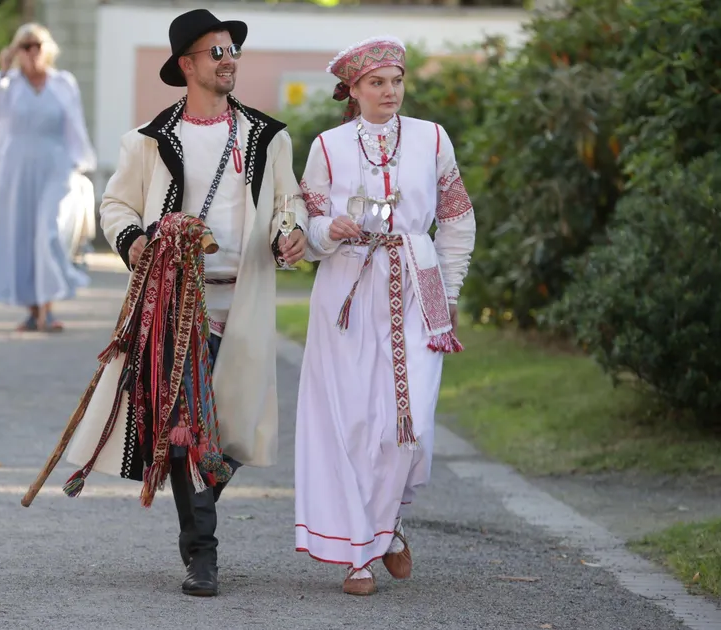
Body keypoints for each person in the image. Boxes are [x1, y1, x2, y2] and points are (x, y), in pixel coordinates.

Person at [60, 9, 308, 597]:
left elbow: (287, 201)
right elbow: (116, 205)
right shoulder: (148, 140)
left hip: (241, 301)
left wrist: (290, 231)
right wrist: (135, 240)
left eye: (232, 51)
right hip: (174, 304)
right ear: (186, 65)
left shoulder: (267, 136)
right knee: (183, 429)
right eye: (216, 52)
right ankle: (202, 554)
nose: (229, 61)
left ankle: (197, 494)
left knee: (235, 431)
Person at [293, 36, 476, 595]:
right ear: (353, 89)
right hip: (347, 294)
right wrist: (329, 230)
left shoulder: (432, 138)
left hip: (418, 288)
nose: (389, 91)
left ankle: (389, 518)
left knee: (410, 424)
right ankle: (361, 554)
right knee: (353, 423)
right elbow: (307, 228)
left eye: (396, 81)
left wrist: (449, 292)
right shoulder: (327, 146)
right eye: (377, 83)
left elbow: (457, 220)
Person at [0, 23, 95, 332]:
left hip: (55, 164)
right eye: (24, 46)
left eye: (36, 45)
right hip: (16, 166)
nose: (31, 52)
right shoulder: (8, 83)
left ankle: (48, 308)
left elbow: (75, 125)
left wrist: (80, 163)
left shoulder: (63, 82)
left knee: (48, 231)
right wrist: (1, 72)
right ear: (16, 51)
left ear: (47, 48)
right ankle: (33, 309)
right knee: (22, 234)